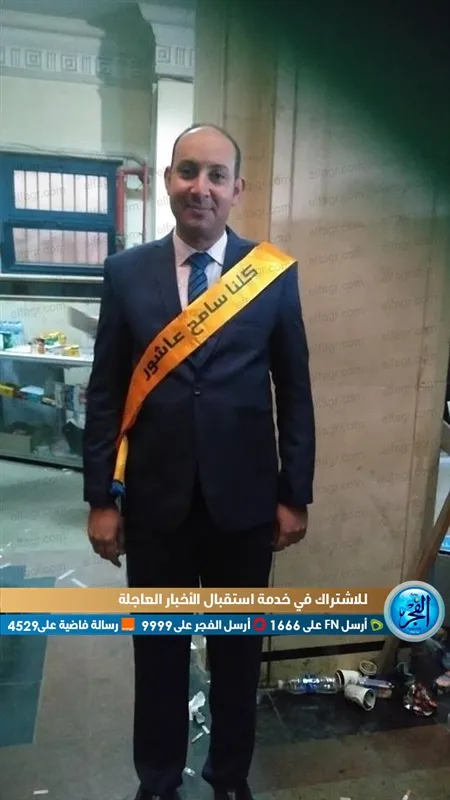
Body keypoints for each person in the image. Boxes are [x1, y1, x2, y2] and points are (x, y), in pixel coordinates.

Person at [83, 124, 316, 800]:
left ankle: (229, 777)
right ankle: (157, 780)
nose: (201, 188)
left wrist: (294, 493)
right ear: (168, 181)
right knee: (157, 653)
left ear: (237, 188)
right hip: (155, 505)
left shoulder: (272, 275)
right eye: (188, 171)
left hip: (245, 506)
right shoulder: (126, 273)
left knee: (237, 654)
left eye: (216, 175)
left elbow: (294, 390)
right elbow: (106, 393)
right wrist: (100, 499)